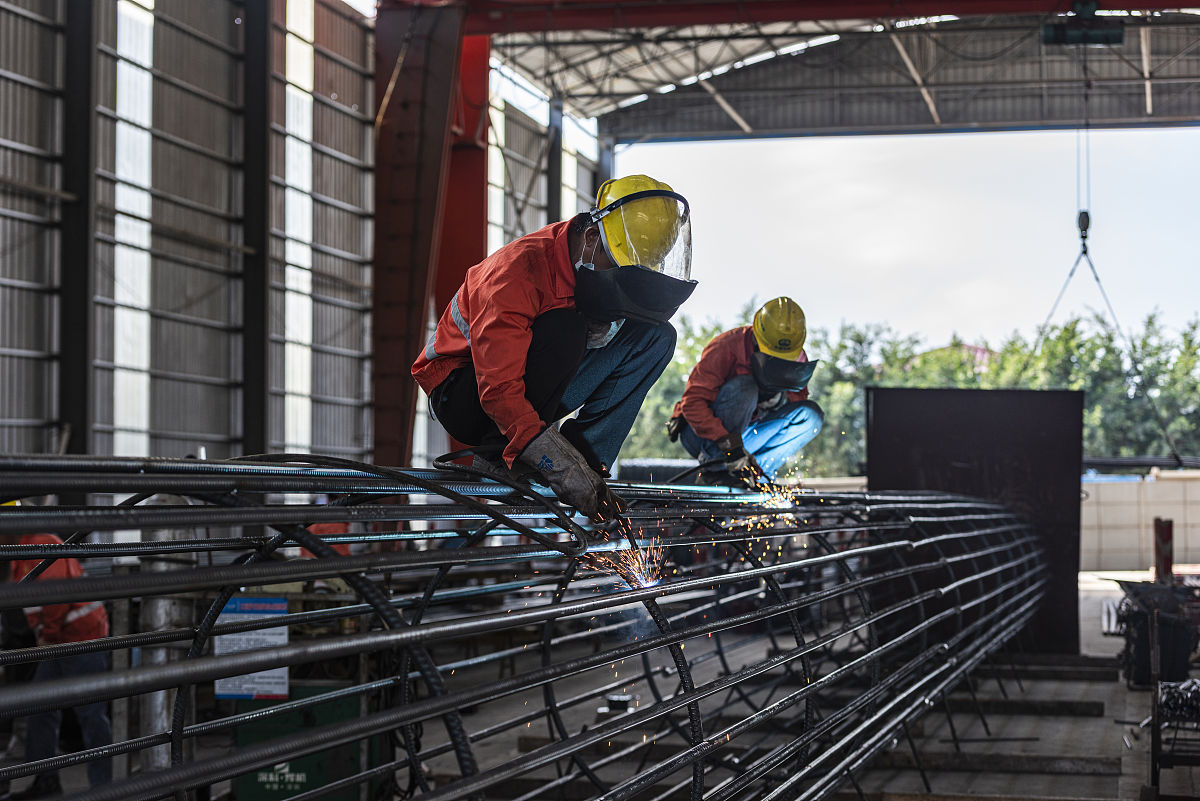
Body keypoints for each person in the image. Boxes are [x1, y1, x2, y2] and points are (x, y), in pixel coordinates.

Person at [412, 174, 695, 521]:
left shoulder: (589, 272)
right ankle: (497, 457)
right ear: (591, 237)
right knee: (567, 326)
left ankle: (587, 457)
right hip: (465, 394)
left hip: (531, 393)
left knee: (656, 337)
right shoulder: (519, 272)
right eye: (618, 270)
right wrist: (558, 468)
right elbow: (499, 390)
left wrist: (577, 469)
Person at [1, 522, 112, 799]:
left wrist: (45, 635)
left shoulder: (40, 543)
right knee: (41, 709)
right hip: (56, 641)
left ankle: (103, 787)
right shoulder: (16, 553)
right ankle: (46, 780)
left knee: (90, 715)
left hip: (82, 638)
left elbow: (57, 598)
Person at [669, 297, 824, 487]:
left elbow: (796, 402)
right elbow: (693, 404)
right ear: (758, 338)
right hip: (704, 436)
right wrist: (729, 446)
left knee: (810, 416)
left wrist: (777, 400)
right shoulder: (727, 346)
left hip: (751, 436)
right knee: (746, 387)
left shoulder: (795, 357)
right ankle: (715, 471)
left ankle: (755, 474)